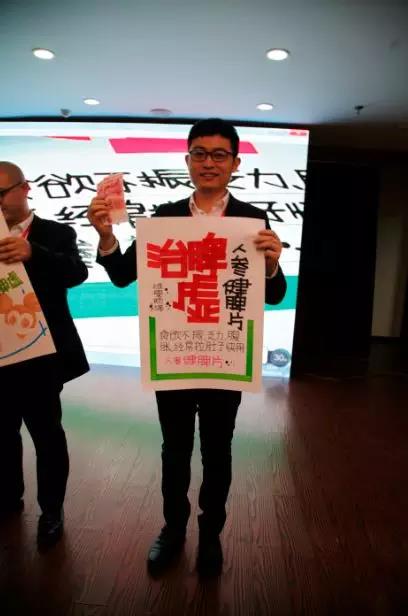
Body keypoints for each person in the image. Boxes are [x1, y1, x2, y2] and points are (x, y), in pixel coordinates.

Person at [87, 118, 286, 576]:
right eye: (199, 153)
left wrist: (273, 265)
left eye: (219, 155)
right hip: (176, 352)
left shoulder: (253, 219)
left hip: (225, 357)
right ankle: (173, 529)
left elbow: (273, 294)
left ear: (235, 163)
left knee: (219, 451)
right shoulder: (164, 216)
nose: (208, 162)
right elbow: (123, 276)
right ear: (187, 160)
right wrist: (106, 237)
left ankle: (210, 535)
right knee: (173, 450)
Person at [0, 162, 89, 548]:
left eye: (1, 193)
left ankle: (52, 510)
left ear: (25, 188)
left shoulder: (56, 232)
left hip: (41, 354)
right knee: (2, 432)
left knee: (47, 433)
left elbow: (76, 273)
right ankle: (8, 497)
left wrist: (31, 252)